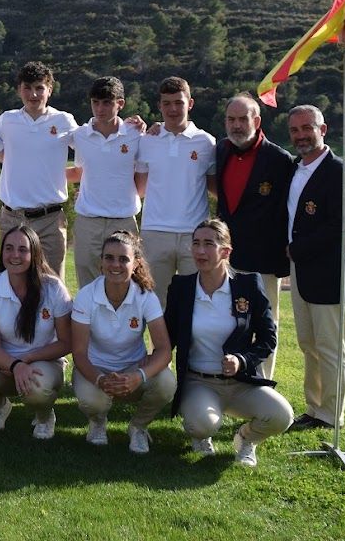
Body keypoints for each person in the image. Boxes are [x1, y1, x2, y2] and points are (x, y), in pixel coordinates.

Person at [165, 218, 293, 466]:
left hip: (241, 383)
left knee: (282, 416)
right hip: (198, 381)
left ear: (226, 251)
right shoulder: (181, 287)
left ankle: (245, 439)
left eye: (209, 244)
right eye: (196, 243)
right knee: (201, 425)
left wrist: (241, 360)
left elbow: (268, 338)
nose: (200, 251)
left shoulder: (249, 285)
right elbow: (167, 337)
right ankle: (201, 435)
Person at [0, 225, 72, 439]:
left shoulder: (54, 288)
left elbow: (66, 343)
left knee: (38, 388)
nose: (15, 255)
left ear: (34, 253)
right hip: (2, 363)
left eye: (23, 249)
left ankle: (45, 415)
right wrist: (14, 365)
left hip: (44, 361)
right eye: (8, 248)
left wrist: (27, 359)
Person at [285, 104, 345, 431]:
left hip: (329, 274)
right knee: (308, 344)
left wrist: (294, 249)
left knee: (330, 348)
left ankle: (331, 416)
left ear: (323, 129)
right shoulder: (295, 168)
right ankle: (314, 409)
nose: (301, 135)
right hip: (302, 273)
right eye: (295, 130)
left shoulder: (339, 172)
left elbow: (339, 227)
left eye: (307, 128)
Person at [70, 231, 176, 454]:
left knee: (166, 382)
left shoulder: (146, 296)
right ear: (101, 262)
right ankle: (98, 421)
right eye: (109, 258)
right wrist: (99, 379)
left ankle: (138, 426)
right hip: (95, 368)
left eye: (123, 259)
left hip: (133, 369)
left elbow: (164, 350)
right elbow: (78, 352)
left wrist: (138, 376)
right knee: (92, 400)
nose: (115, 264)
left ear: (136, 263)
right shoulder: (86, 295)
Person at [215, 92, 295, 379]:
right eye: (231, 119)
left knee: (265, 324)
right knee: (229, 322)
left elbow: (289, 209)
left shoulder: (279, 159)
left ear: (257, 120)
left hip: (265, 260)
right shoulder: (222, 149)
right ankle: (230, 382)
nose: (236, 125)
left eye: (242, 119)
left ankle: (260, 384)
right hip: (227, 258)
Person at [0, 61, 79, 280]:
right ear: (19, 89)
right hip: (12, 217)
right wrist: (13, 162)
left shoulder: (63, 120)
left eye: (39, 87)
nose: (33, 94)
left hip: (50, 220)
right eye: (27, 88)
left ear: (49, 90)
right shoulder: (7, 120)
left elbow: (93, 148)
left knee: (53, 285)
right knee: (11, 282)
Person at [135, 76, 216, 308]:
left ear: (190, 103)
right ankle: (160, 346)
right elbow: (139, 189)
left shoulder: (206, 143)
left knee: (195, 302)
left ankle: (189, 346)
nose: (172, 109)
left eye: (178, 102)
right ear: (159, 106)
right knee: (155, 303)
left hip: (194, 234)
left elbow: (214, 187)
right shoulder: (146, 141)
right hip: (155, 234)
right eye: (167, 103)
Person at [69, 76, 145, 288]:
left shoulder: (136, 134)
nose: (100, 108)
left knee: (127, 285)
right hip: (88, 221)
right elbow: (79, 171)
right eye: (96, 102)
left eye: (107, 102)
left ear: (120, 104)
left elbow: (142, 178)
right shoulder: (80, 135)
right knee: (87, 285)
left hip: (123, 221)